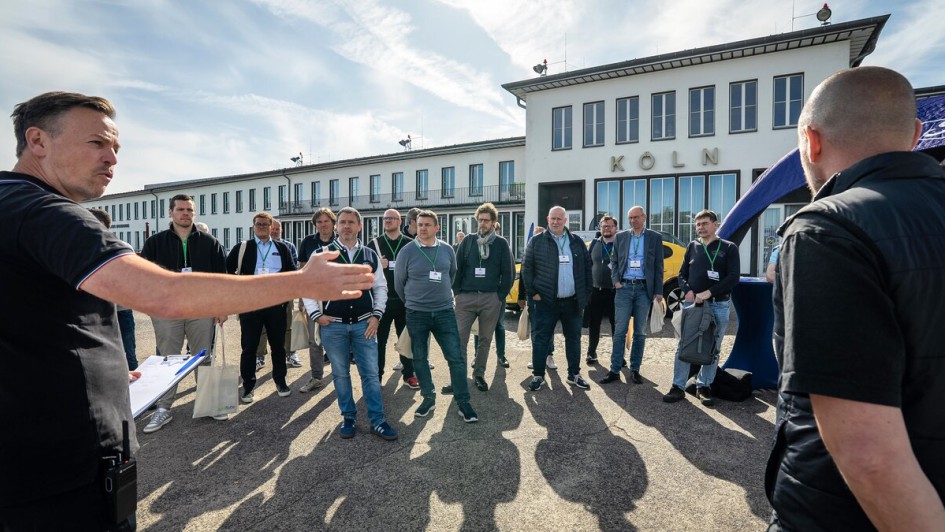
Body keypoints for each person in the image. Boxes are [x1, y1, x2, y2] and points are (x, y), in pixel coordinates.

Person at [0, 91, 372, 530]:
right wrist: (302, 283)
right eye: (97, 143)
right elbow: (165, 294)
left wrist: (99, 370)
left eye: (116, 147)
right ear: (38, 141)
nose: (112, 159)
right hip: (58, 473)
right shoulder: (48, 214)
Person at [766, 66, 945, 530]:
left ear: (811, 140)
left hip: (842, 512)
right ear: (915, 135)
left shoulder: (827, 229)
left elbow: (867, 456)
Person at [304, 208, 397, 440]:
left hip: (364, 325)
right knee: (341, 374)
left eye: (351, 222)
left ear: (359, 226)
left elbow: (380, 287)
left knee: (371, 374)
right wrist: (317, 316)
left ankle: (377, 420)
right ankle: (349, 417)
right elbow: (307, 288)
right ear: (337, 227)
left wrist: (377, 316)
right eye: (342, 222)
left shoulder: (369, 255)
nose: (346, 226)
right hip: (333, 327)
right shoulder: (322, 254)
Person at [139, 194, 228, 431]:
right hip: (168, 311)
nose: (185, 213)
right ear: (171, 212)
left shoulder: (210, 243)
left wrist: (222, 308)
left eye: (189, 210)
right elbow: (144, 278)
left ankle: (209, 404)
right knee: (168, 359)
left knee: (203, 357)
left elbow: (222, 279)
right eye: (180, 209)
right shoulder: (156, 243)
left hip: (202, 309)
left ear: (194, 213)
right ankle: (164, 409)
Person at [394, 210, 479, 423]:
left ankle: (463, 401)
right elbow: (399, 283)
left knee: (456, 357)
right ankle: (428, 398)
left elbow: (452, 275)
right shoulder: (406, 252)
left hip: (444, 312)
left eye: (428, 224)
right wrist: (413, 302)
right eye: (420, 224)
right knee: (420, 358)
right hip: (416, 314)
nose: (423, 228)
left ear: (437, 227)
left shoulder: (447, 250)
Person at [662, 209, 738, 406]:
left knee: (713, 347)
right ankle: (677, 387)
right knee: (684, 344)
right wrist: (686, 289)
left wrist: (709, 292)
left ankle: (703, 386)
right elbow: (681, 274)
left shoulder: (728, 248)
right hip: (692, 304)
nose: (701, 227)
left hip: (718, 305)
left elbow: (733, 277)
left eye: (705, 223)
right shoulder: (692, 246)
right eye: (698, 224)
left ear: (715, 224)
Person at [226, 212, 300, 403]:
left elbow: (292, 274)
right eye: (258, 224)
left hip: (276, 305)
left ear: (271, 227)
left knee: (278, 346)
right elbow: (226, 271)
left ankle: (281, 381)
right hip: (250, 305)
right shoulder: (243, 248)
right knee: (249, 347)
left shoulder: (281, 248)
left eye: (265, 224)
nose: (262, 227)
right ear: (253, 226)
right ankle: (248, 387)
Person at [521, 206, 592, 391]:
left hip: (572, 301)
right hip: (545, 301)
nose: (556, 222)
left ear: (565, 220)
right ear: (548, 218)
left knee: (574, 339)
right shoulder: (537, 241)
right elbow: (527, 269)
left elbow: (587, 269)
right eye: (553, 218)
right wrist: (533, 294)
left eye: (559, 219)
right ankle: (538, 375)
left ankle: (574, 374)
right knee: (541, 339)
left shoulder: (576, 242)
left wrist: (585, 295)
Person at [453, 203, 514, 392]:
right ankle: (458, 378)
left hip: (490, 299)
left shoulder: (501, 244)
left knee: (485, 339)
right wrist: (458, 294)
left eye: (486, 220)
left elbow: (509, 273)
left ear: (493, 222)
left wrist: (499, 297)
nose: (483, 223)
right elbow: (457, 268)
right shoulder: (468, 241)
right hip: (466, 298)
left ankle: (478, 374)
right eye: (480, 220)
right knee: (459, 339)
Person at [602, 207, 664, 385]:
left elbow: (658, 266)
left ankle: (635, 369)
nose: (633, 221)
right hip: (624, 289)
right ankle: (614, 370)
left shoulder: (654, 237)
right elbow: (614, 262)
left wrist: (658, 291)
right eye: (630, 218)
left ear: (644, 217)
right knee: (619, 331)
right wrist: (616, 281)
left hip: (644, 289)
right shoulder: (621, 237)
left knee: (640, 332)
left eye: (636, 217)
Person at [366, 208, 419, 389]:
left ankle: (409, 375)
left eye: (392, 218)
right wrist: (375, 267)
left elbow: (418, 271)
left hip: (405, 301)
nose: (388, 221)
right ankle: (377, 376)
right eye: (385, 219)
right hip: (382, 302)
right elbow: (363, 271)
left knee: (406, 339)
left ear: (400, 221)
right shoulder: (373, 244)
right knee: (379, 341)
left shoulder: (411, 243)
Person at [89, 207, 140, 372]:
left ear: (101, 224)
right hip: (93, 312)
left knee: (128, 353)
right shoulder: (83, 247)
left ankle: (137, 392)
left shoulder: (121, 247)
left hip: (120, 310)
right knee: (98, 355)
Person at [295, 208, 337, 392]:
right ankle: (316, 377)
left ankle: (339, 377)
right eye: (319, 222)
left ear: (333, 222)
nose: (323, 225)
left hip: (336, 297)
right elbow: (302, 270)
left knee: (338, 339)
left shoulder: (341, 241)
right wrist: (302, 298)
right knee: (315, 340)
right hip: (314, 297)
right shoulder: (307, 242)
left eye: (326, 221)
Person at [257, 219, 303, 369]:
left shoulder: (288, 246)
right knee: (261, 327)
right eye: (273, 228)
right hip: (261, 294)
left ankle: (290, 353)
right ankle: (260, 356)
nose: (275, 231)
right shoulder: (258, 246)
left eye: (278, 229)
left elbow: (295, 268)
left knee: (288, 325)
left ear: (281, 231)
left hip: (284, 294)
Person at [584, 215, 617, 365]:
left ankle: (618, 355)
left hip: (614, 291)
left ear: (615, 228)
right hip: (595, 290)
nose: (606, 229)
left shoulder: (620, 244)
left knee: (616, 325)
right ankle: (591, 352)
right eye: (604, 226)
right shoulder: (594, 244)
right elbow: (587, 264)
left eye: (609, 226)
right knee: (594, 323)